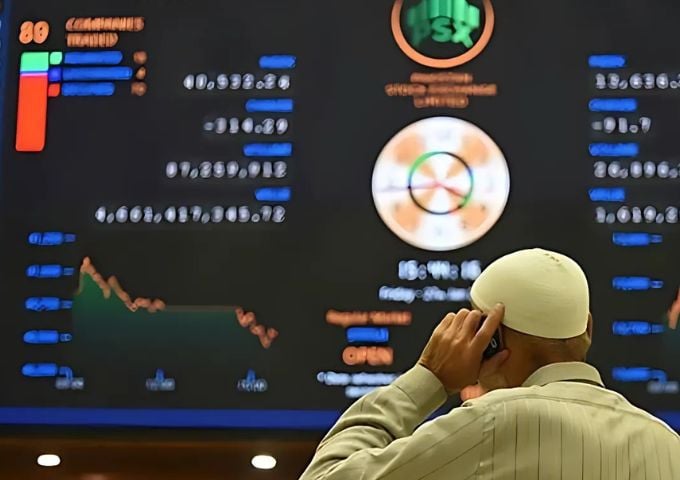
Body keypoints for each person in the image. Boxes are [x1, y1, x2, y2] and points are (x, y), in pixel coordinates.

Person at [300, 248, 680, 479]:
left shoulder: (493, 423)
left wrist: (427, 378)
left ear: (490, 337)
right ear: (587, 328)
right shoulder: (668, 443)